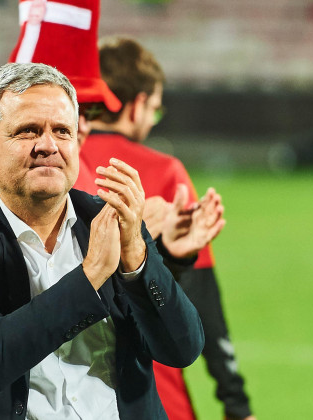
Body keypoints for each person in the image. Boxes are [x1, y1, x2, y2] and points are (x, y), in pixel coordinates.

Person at [0, 61, 206, 420]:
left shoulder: (111, 222)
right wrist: (91, 275)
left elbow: (182, 348)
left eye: (62, 131)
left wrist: (137, 260)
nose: (48, 145)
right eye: (28, 131)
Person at [78, 36, 255, 420]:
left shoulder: (58, 164)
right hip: (151, 389)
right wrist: (236, 403)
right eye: (155, 111)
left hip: (71, 385)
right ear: (138, 104)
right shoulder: (163, 172)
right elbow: (200, 298)